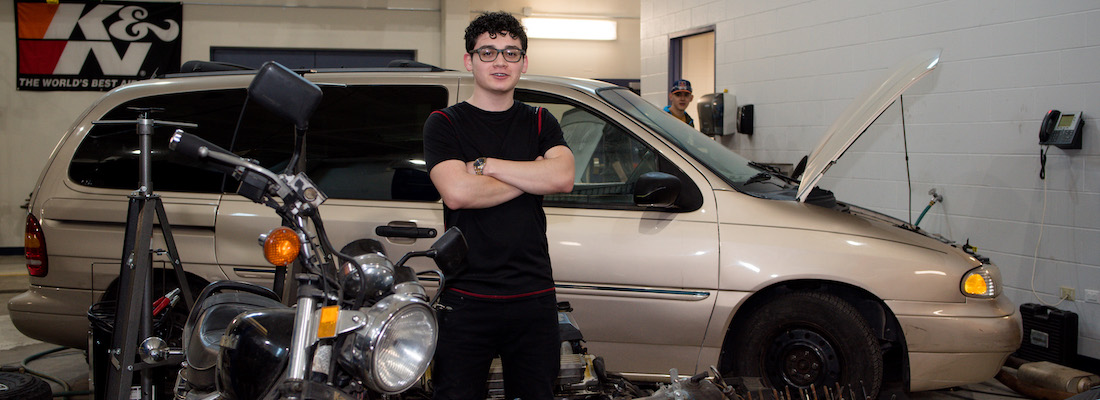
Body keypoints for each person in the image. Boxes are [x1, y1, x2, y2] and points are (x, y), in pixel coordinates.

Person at [421, 11, 575, 400]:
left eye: (511, 52)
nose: (500, 61)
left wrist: (486, 165)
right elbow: (458, 194)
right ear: (469, 60)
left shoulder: (541, 121)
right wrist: (532, 174)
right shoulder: (444, 123)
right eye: (488, 52)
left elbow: (562, 178)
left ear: (524, 63)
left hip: (533, 294)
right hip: (466, 295)